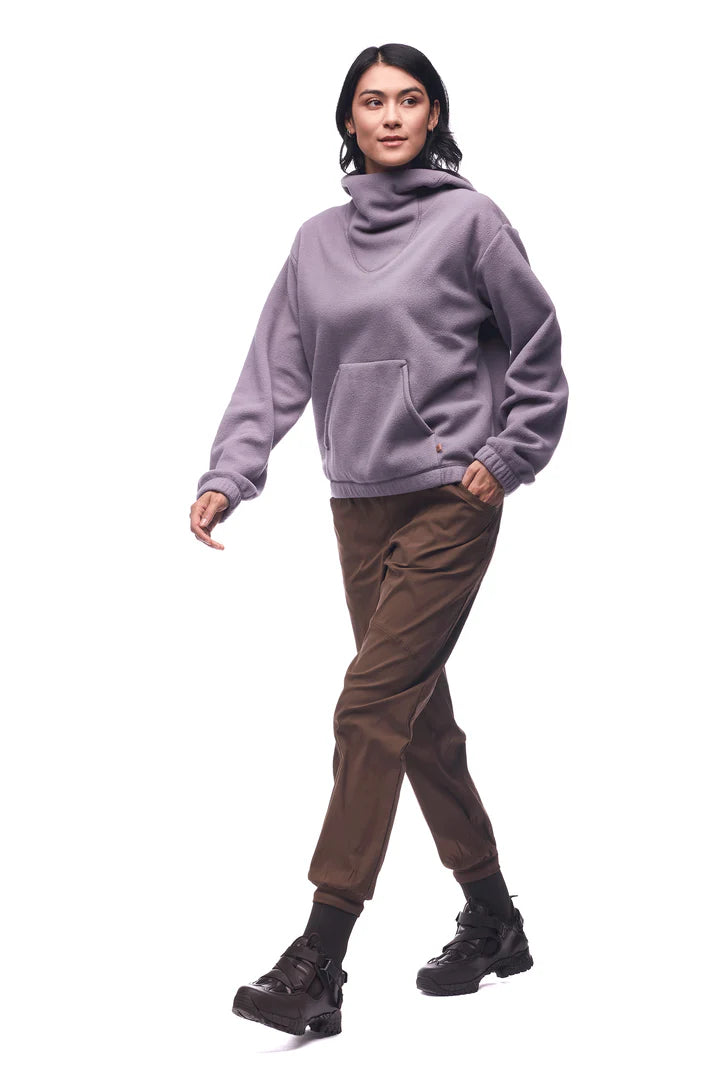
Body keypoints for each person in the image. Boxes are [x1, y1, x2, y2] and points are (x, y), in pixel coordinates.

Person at [190, 42, 569, 1038]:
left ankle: (319, 957)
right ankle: (493, 917)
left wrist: (509, 453)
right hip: (357, 503)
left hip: (451, 496)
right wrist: (231, 471)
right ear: (349, 120)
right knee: (415, 719)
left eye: (409, 100)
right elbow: (275, 365)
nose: (392, 116)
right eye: (372, 101)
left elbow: (536, 343)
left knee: (367, 707)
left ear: (434, 115)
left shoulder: (471, 222)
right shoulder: (315, 241)